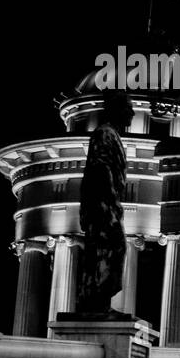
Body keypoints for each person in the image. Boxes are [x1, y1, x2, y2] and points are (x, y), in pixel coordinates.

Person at [77, 90, 133, 314]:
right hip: (102, 206)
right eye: (128, 107)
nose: (132, 112)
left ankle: (99, 303)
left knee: (109, 250)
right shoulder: (105, 134)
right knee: (109, 248)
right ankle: (94, 302)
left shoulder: (111, 135)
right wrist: (110, 201)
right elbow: (100, 169)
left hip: (106, 205)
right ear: (118, 109)